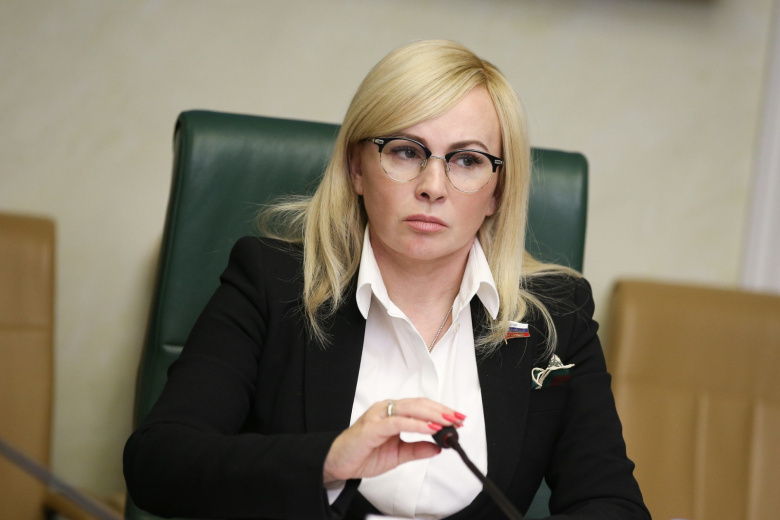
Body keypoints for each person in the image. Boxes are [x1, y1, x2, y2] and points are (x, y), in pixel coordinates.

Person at [123, 40, 650, 520]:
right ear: (356, 168)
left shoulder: (555, 315)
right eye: (405, 151)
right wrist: (329, 460)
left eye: (467, 160)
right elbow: (158, 462)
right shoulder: (271, 282)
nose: (432, 186)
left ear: (497, 191)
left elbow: (610, 502)